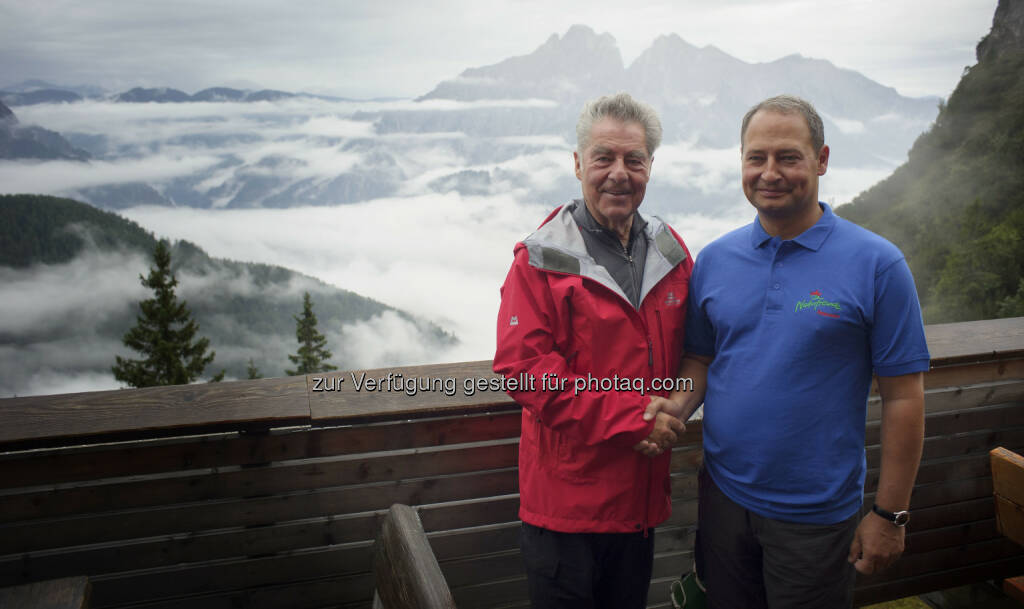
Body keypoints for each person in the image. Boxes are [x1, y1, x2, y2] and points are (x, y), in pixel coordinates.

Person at [655, 94, 930, 609]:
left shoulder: (877, 264)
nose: (769, 172)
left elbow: (903, 396)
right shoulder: (714, 261)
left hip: (816, 515)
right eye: (756, 157)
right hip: (722, 497)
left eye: (788, 157)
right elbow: (702, 360)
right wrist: (675, 408)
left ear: (821, 160)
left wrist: (890, 515)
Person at [492, 92, 695, 609]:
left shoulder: (671, 253)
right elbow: (527, 372)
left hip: (639, 506)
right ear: (578, 163)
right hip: (566, 515)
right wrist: (636, 421)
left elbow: (695, 350)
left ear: (651, 166)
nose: (618, 173)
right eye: (603, 157)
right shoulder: (539, 261)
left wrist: (672, 412)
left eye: (634, 159)